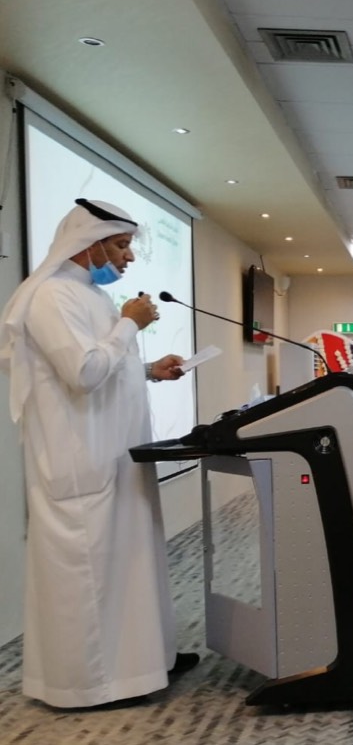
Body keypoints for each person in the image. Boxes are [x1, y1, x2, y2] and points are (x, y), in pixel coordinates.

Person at [0, 199, 196, 708]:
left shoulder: (90, 295)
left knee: (131, 565)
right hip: (80, 462)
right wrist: (130, 324)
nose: (129, 257)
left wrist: (150, 370)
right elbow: (83, 373)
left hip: (115, 457)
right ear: (89, 245)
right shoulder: (50, 296)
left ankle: (147, 663)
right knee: (90, 576)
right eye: (122, 245)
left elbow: (105, 366)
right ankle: (92, 687)